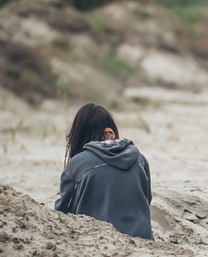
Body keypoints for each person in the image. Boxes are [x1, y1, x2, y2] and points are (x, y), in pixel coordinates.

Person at [55, 103, 154, 240]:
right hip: (143, 239)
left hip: (97, 240)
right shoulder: (139, 158)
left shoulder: (78, 163)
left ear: (80, 134)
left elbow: (62, 211)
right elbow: (146, 198)